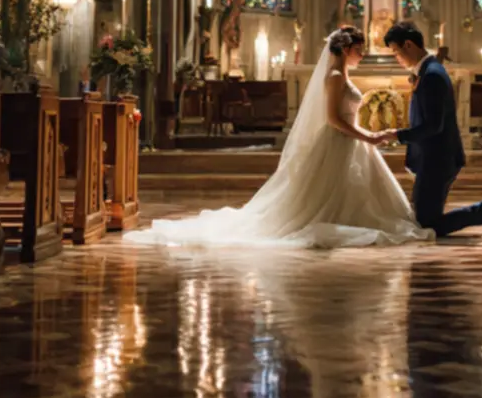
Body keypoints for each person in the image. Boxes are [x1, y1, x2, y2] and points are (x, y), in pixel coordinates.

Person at [123, 26, 432, 248]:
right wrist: (368, 137)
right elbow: (334, 119)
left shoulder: (343, 75)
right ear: (344, 49)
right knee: (328, 198)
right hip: (340, 140)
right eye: (359, 49)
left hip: (351, 141)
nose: (363, 54)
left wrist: (366, 136)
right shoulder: (336, 76)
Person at [380, 21, 482, 238]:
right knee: (423, 220)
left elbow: (434, 125)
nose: (396, 58)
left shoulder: (432, 74)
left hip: (438, 159)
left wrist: (397, 135)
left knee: (426, 225)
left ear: (408, 45)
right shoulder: (426, 71)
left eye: (396, 52)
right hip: (433, 158)